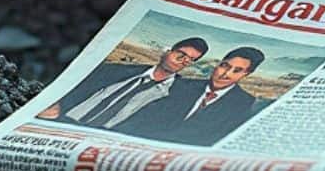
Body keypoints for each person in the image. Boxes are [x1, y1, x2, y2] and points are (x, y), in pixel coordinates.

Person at [38, 37, 209, 130]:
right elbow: (80, 86)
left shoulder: (177, 96)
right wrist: (59, 102)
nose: (183, 61)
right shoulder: (115, 70)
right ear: (168, 51)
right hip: (61, 120)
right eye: (181, 55)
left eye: (190, 60)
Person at [120, 46, 266, 145]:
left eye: (237, 70)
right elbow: (145, 117)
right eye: (224, 66)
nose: (226, 75)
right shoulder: (182, 85)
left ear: (246, 74)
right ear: (218, 64)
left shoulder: (244, 102)